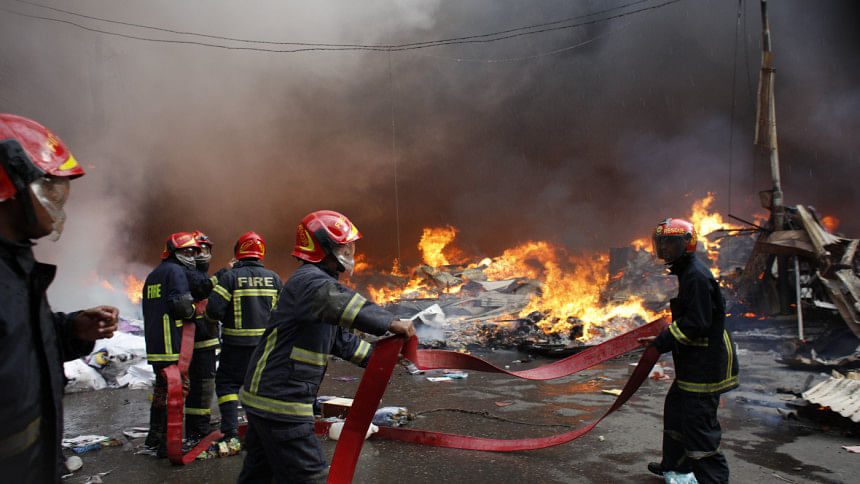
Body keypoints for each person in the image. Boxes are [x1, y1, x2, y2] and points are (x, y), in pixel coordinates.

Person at [236, 210, 415, 484]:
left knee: (260, 476)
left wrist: (381, 358)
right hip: (282, 401)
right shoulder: (310, 282)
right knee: (311, 476)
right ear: (323, 247)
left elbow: (340, 340)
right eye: (344, 247)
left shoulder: (316, 284)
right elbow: (341, 302)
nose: (350, 253)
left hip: (266, 398)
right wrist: (390, 322)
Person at [0, 113, 118, 482]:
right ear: (12, 187)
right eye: (50, 188)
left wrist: (70, 331)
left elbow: (15, 341)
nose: (59, 201)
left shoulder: (16, 268)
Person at [638, 218, 739, 484]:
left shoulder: (695, 275)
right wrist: (662, 339)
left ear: (687, 243)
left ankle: (714, 479)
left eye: (671, 243)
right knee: (676, 412)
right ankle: (675, 466)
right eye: (661, 243)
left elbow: (697, 323)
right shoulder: (687, 271)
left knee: (698, 425)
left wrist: (661, 341)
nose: (665, 249)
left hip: (705, 362)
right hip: (694, 360)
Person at [205, 231, 282, 440]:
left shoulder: (230, 278)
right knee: (260, 387)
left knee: (227, 385)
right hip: (265, 347)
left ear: (238, 253)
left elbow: (213, 310)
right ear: (261, 253)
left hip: (235, 346)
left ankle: (231, 431)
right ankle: (261, 432)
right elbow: (284, 313)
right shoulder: (274, 279)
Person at [142, 231, 201, 456]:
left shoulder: (153, 275)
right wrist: (195, 311)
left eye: (193, 252)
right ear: (174, 252)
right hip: (172, 345)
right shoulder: (176, 272)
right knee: (178, 392)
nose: (191, 256)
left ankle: (154, 437)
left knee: (161, 391)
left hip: (156, 345)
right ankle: (169, 443)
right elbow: (182, 306)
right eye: (187, 252)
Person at [183, 230, 220, 441]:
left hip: (205, 337)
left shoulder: (200, 274)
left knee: (203, 383)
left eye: (207, 249)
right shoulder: (191, 275)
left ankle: (198, 422)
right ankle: (197, 427)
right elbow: (201, 291)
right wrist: (223, 274)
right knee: (202, 384)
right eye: (200, 250)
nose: (204, 254)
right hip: (197, 339)